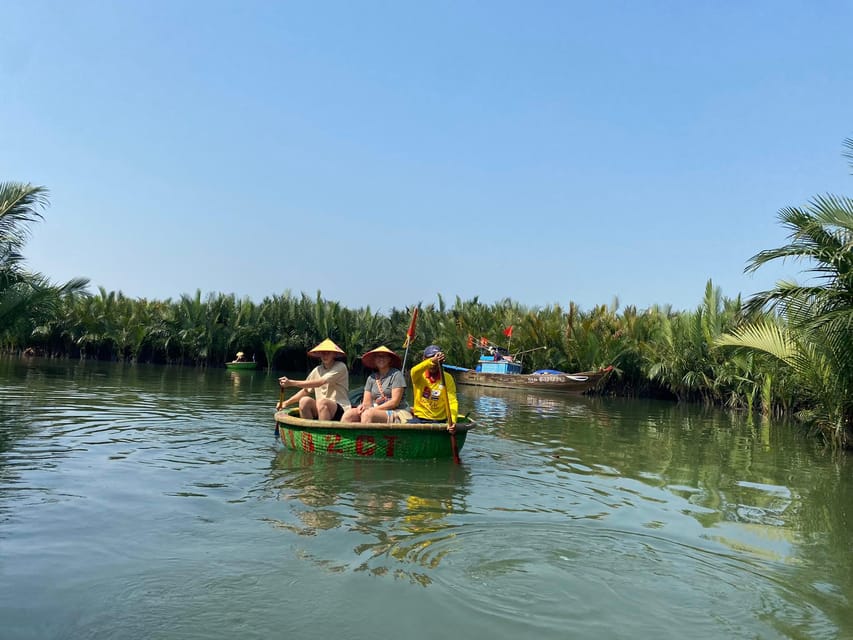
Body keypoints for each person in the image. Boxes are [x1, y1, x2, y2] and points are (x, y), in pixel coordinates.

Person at [278, 339, 351, 421]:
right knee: (304, 401)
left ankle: (322, 431)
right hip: (321, 407)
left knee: (322, 402)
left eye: (328, 353)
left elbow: (320, 382)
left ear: (334, 354)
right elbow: (306, 391)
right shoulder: (317, 370)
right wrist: (286, 403)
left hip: (340, 409)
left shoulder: (340, 366)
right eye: (323, 353)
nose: (325, 355)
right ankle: (308, 431)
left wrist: (291, 383)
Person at [342, 346, 412, 423]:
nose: (381, 359)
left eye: (384, 356)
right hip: (375, 409)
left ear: (389, 359)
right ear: (374, 360)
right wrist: (362, 407)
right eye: (378, 356)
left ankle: (365, 435)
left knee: (367, 414)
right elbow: (367, 402)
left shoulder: (396, 375)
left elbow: (394, 402)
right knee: (349, 414)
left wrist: (373, 410)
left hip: (396, 411)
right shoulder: (371, 378)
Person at [408, 344, 458, 433]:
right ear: (424, 359)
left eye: (437, 361)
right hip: (420, 419)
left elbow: (452, 401)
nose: (434, 364)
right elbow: (413, 371)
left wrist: (452, 421)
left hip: (439, 420)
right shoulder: (419, 375)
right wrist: (432, 361)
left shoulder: (447, 378)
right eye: (430, 358)